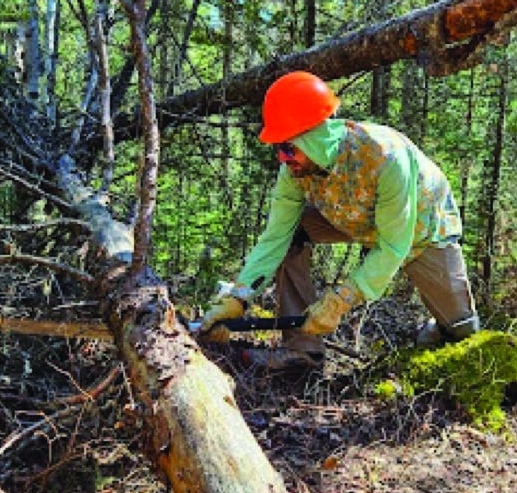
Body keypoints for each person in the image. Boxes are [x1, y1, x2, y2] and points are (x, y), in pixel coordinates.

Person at [200, 70, 479, 370]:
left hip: (421, 228)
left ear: (314, 138)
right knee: (292, 236)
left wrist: (340, 300)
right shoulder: (295, 170)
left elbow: (394, 246)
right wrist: (239, 296)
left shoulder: (385, 157)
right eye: (277, 148)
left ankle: (439, 327)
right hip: (351, 217)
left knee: (462, 331)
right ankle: (302, 352)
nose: (282, 158)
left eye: (288, 147)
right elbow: (275, 237)